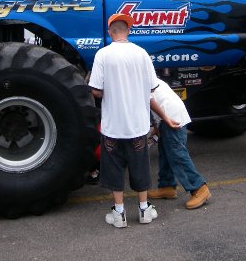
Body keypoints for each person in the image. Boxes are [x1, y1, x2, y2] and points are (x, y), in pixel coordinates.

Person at [89, 13, 160, 228]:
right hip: (137, 125)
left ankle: (119, 214)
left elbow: (96, 91)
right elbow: (152, 88)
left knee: (114, 168)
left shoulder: (103, 54)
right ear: (128, 31)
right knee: (140, 166)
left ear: (110, 32)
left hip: (113, 126)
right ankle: (144, 209)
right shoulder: (142, 54)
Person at [149, 78, 212, 209]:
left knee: (176, 154)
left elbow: (150, 101)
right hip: (166, 115)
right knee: (166, 152)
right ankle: (167, 186)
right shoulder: (140, 74)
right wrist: (156, 126)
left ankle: (199, 188)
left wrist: (164, 120)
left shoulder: (137, 78)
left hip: (170, 116)